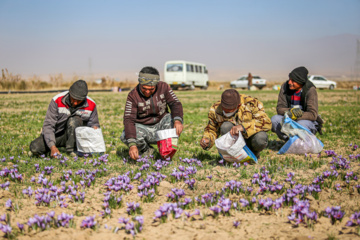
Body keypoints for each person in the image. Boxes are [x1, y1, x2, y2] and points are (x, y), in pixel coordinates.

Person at [120, 66, 184, 160]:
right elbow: (129, 119)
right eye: (144, 88)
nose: (147, 92)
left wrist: (178, 120)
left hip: (162, 124)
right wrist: (132, 145)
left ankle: (166, 153)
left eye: (151, 89)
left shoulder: (164, 87)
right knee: (126, 135)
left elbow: (175, 103)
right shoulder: (133, 95)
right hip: (144, 128)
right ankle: (148, 151)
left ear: (156, 85)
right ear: (140, 83)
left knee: (174, 119)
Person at [29, 80, 100, 157]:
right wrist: (52, 146)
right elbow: (49, 125)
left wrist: (94, 128)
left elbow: (94, 124)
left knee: (74, 120)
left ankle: (72, 150)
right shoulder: (57, 100)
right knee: (35, 147)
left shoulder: (91, 104)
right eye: (73, 99)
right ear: (69, 93)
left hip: (76, 137)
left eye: (79, 101)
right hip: (57, 135)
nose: (75, 103)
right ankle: (53, 149)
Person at [200, 89, 271, 158]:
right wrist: (207, 139)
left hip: (250, 139)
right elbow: (212, 128)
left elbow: (266, 123)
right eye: (224, 109)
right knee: (225, 126)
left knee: (260, 138)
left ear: (238, 106)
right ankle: (233, 155)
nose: (226, 113)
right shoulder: (216, 109)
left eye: (229, 111)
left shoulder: (251, 104)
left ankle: (253, 154)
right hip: (233, 143)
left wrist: (243, 127)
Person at [271, 66, 323, 141]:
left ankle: (302, 142)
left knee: (301, 124)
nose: (289, 82)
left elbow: (313, 114)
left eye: (293, 81)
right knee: (274, 120)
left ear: (300, 81)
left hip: (305, 121)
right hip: (289, 118)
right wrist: (290, 112)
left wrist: (296, 116)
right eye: (289, 79)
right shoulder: (285, 87)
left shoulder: (310, 90)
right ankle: (289, 141)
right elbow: (280, 108)